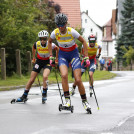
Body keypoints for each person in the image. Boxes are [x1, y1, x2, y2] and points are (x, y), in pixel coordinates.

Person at [48, 13, 91, 112]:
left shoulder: (72, 32)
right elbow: (49, 42)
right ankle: (67, 100)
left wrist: (86, 57)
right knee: (64, 75)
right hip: (63, 55)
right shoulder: (55, 32)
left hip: (74, 55)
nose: (60, 27)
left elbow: (84, 42)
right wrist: (51, 56)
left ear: (66, 24)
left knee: (78, 79)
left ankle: (84, 101)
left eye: (62, 25)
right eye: (58, 25)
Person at [16, 30, 59, 103]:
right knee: (32, 79)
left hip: (47, 61)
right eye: (41, 39)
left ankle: (44, 93)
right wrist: (33, 58)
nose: (42, 40)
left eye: (44, 39)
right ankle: (24, 96)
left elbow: (57, 49)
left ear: (47, 38)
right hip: (39, 61)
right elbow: (33, 48)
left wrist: (56, 59)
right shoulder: (37, 44)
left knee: (45, 76)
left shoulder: (50, 44)